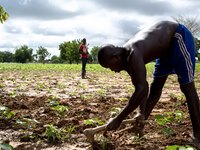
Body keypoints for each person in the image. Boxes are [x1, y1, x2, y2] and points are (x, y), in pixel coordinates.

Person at [97, 20, 200, 147]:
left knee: (187, 87)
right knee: (156, 87)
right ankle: (141, 121)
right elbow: (143, 87)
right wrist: (141, 111)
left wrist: (119, 118)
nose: (113, 70)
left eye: (109, 67)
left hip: (177, 36)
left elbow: (140, 90)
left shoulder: (133, 54)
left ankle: (198, 135)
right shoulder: (125, 61)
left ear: (115, 57)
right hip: (164, 50)